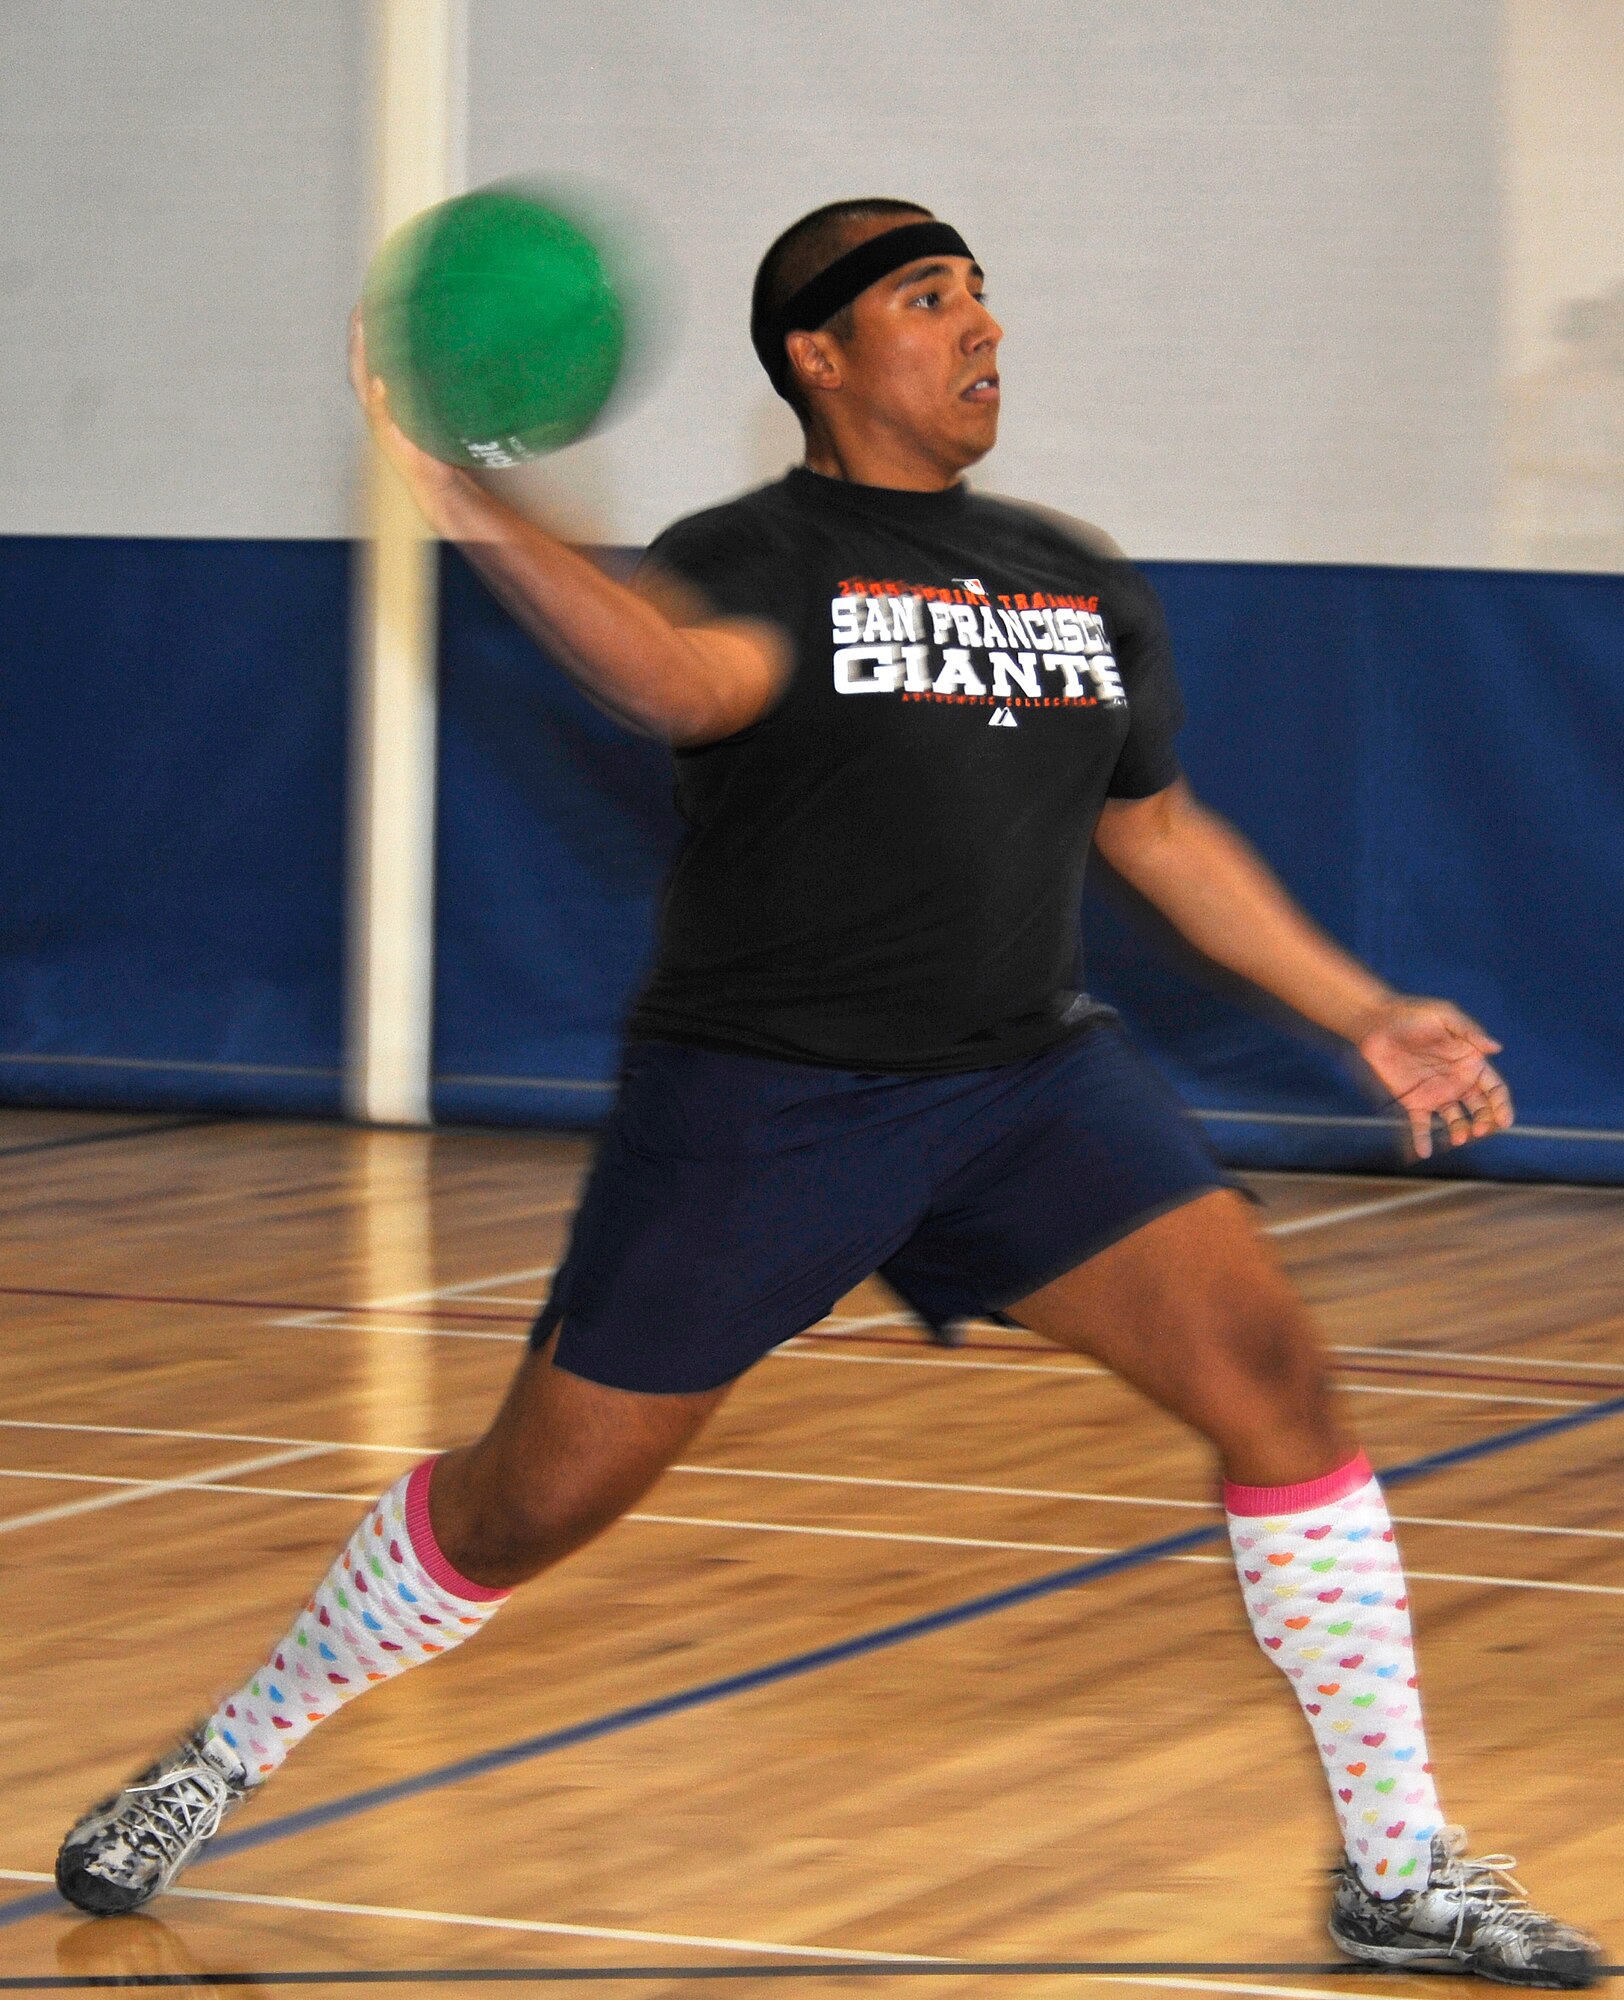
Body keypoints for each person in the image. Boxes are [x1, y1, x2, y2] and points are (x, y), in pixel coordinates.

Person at [57, 199, 1601, 1986]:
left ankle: (1397, 1867)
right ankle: (226, 1754)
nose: (985, 326)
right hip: (765, 1107)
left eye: (987, 295)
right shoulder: (761, 553)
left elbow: (1158, 831)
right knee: (523, 1507)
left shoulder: (1069, 573)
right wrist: (472, 483)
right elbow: (676, 679)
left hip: (1026, 1082)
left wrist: (1367, 1009)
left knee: (1277, 1374)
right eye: (934, 299)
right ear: (820, 352)